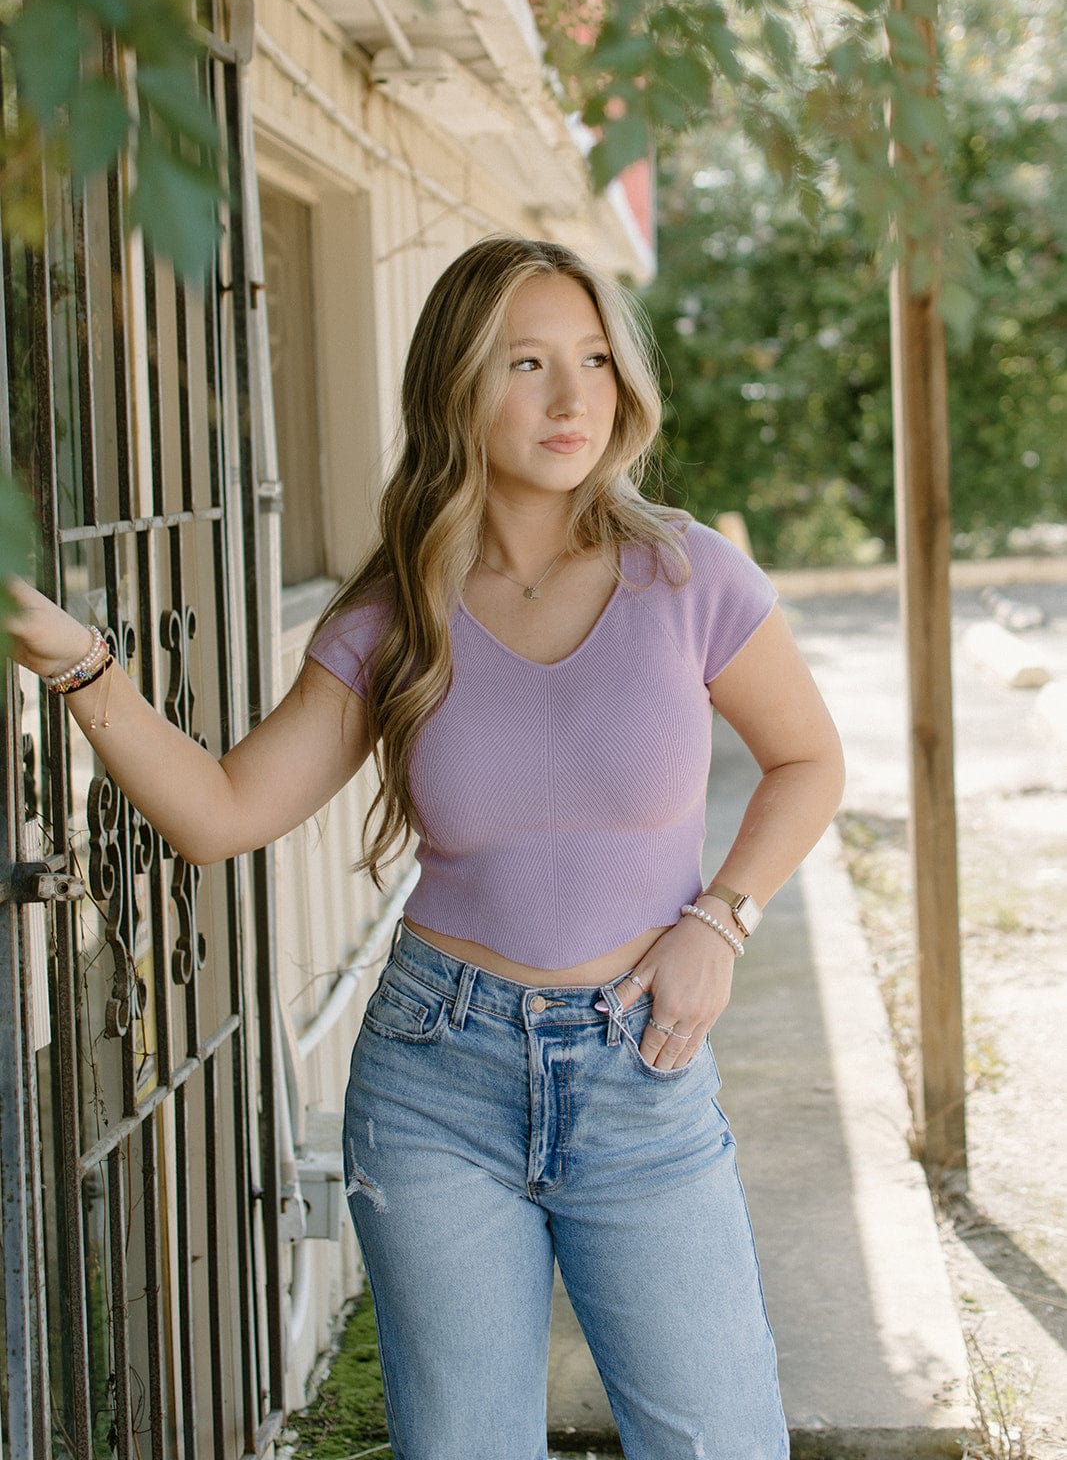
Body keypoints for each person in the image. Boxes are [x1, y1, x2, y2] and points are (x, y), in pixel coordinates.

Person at [7, 234, 844, 1460]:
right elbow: (222, 811)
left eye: (594, 359)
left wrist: (721, 917)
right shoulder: (393, 614)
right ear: (456, 384)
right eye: (525, 363)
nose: (571, 398)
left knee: (719, 1439)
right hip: (436, 1078)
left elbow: (808, 761)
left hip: (638, 1070)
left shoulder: (688, 575)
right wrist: (78, 663)